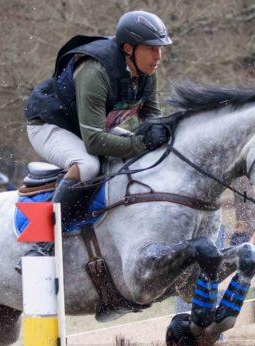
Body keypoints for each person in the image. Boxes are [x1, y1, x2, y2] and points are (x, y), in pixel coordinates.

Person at [23, 10, 172, 256]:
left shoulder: (147, 72)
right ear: (128, 48)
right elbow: (93, 142)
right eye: (150, 49)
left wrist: (160, 136)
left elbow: (151, 119)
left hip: (92, 127)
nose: (158, 56)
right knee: (88, 165)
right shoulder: (95, 70)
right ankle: (43, 241)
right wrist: (141, 143)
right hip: (49, 126)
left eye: (160, 48)